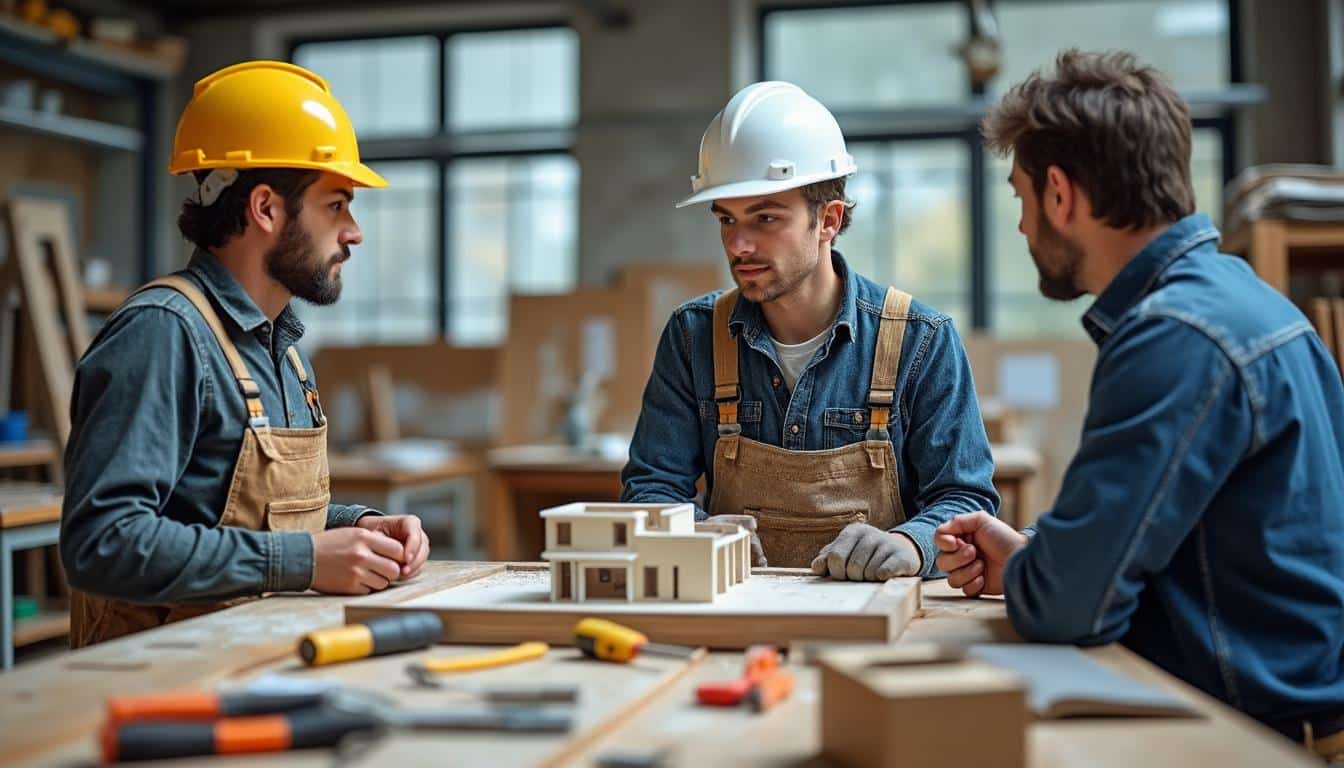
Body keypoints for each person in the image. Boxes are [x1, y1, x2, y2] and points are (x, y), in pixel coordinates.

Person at [934, 50, 1344, 760]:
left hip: (1251, 738)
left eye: (1021, 200)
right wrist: (1035, 559)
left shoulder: (1174, 337)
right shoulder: (1252, 303)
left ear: (1060, 194)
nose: (1026, 228)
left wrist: (1042, 577)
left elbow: (1069, 606)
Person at [61, 61, 429, 647]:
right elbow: (104, 542)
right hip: (156, 686)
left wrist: (359, 529)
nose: (354, 231)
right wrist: (307, 560)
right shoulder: (164, 334)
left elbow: (255, 521)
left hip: (252, 662)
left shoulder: (281, 347)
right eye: (336, 205)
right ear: (265, 209)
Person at [621, 81, 1000, 581]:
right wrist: (694, 532)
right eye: (726, 220)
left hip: (872, 621)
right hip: (736, 616)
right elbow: (651, 488)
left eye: (766, 218)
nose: (739, 244)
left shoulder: (919, 339)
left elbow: (965, 497)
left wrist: (910, 543)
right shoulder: (693, 336)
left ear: (828, 219)